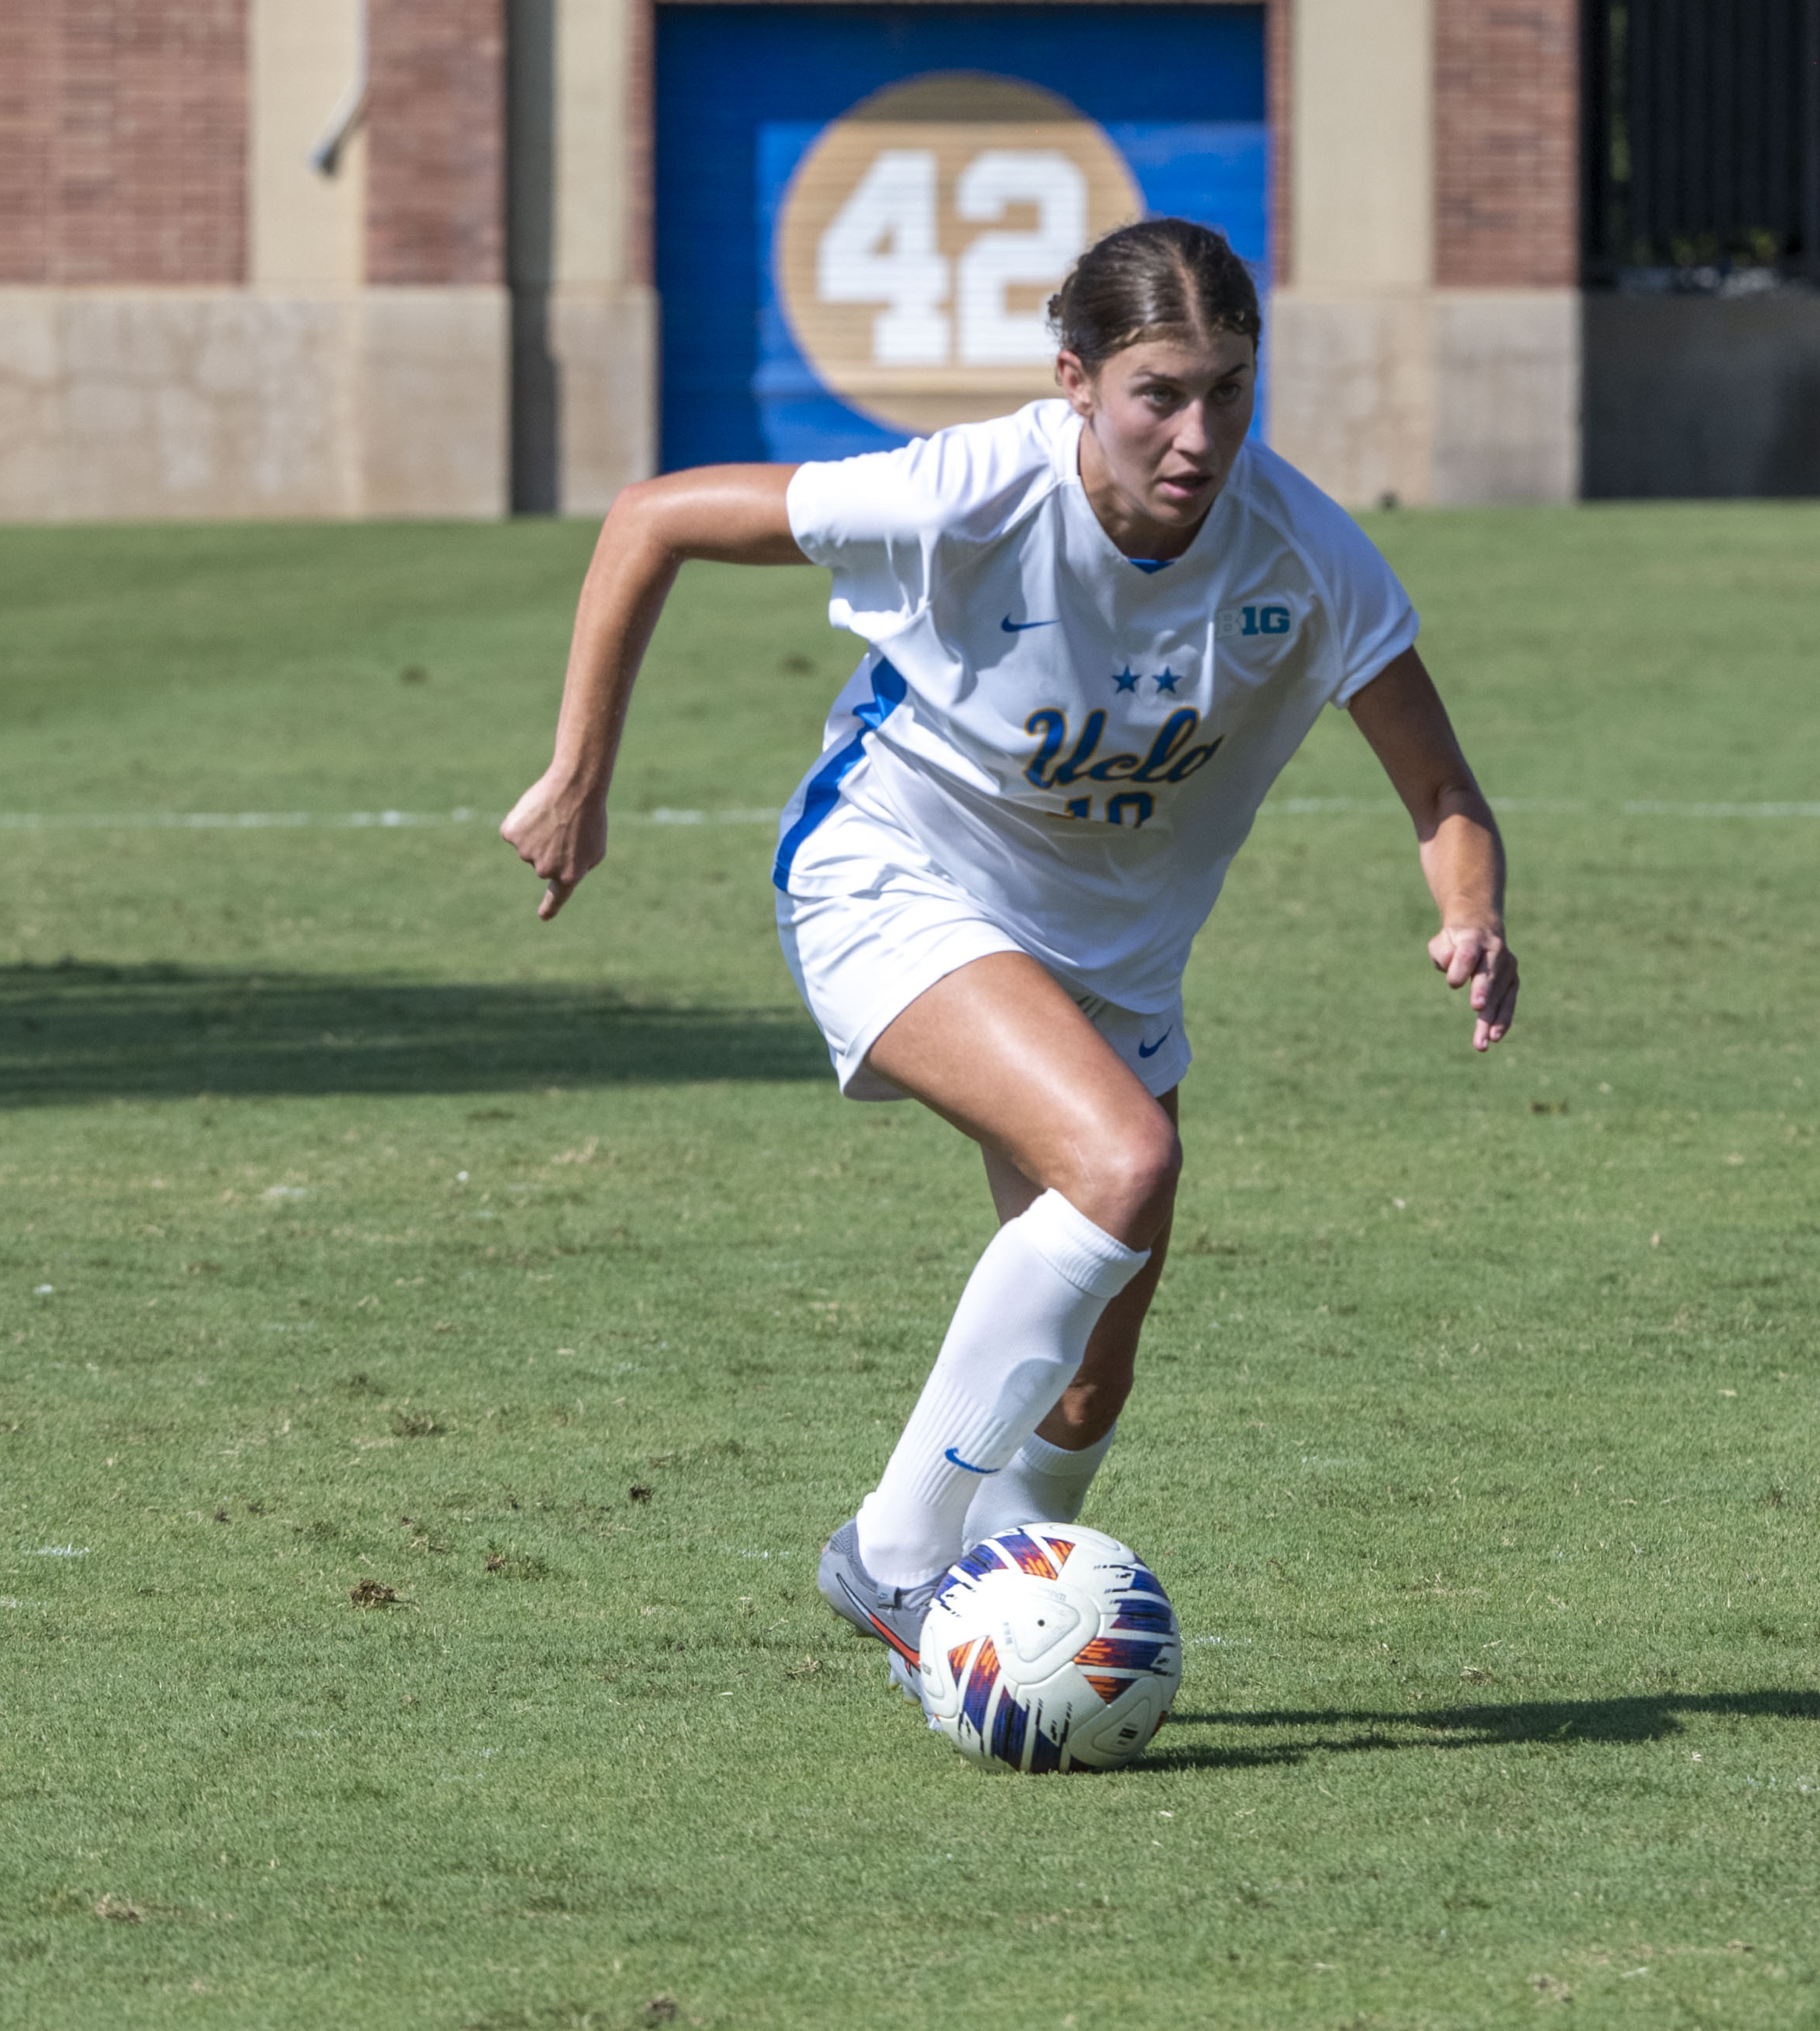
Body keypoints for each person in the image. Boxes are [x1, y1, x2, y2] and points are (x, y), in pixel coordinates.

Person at [499, 216, 1516, 1707]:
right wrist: (579, 775)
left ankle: (996, 1642)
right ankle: (893, 1558)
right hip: (890, 875)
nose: (1198, 435)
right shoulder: (970, 491)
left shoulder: (1304, 555)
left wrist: (1470, 911)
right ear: (1074, 381)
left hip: (1116, 971)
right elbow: (651, 517)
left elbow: (1442, 790)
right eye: (1158, 394)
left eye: (1228, 391)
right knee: (1122, 1163)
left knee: (1087, 1386)